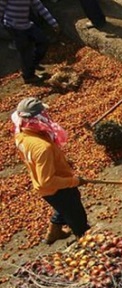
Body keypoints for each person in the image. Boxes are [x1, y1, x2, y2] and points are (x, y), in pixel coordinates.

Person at [12, 97, 90, 244]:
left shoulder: (21, 134)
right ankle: (84, 239)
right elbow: (47, 181)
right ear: (37, 118)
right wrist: (74, 181)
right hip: (56, 188)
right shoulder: (42, 147)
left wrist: (60, 161)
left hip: (47, 186)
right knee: (76, 215)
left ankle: (54, 232)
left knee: (63, 207)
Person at [0, 0, 60, 84]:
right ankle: (28, 76)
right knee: (25, 51)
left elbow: (40, 7)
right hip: (13, 26)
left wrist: (53, 23)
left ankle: (34, 62)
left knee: (43, 41)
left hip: (27, 24)